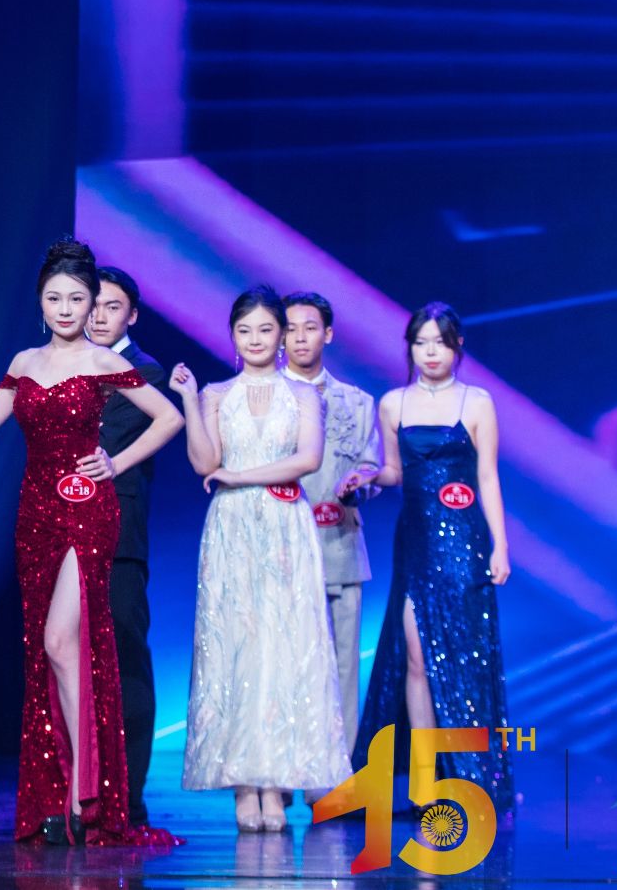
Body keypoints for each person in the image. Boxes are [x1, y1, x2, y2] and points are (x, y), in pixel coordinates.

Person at [0, 237, 183, 844]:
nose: (66, 309)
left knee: (62, 641)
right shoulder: (24, 362)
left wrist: (115, 463)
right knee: (49, 649)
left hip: (87, 509)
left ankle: (84, 794)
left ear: (92, 303)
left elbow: (168, 417)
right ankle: (72, 788)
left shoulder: (103, 362)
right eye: (54, 298)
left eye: (76, 299)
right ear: (41, 302)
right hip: (34, 513)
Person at [174, 284, 350, 833]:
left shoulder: (302, 395)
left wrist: (239, 476)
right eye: (244, 330)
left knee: (282, 650)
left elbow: (308, 459)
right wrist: (189, 400)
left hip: (283, 526)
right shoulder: (216, 394)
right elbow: (205, 462)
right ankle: (243, 787)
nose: (255, 339)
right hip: (231, 528)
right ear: (232, 336)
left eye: (265, 329)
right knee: (235, 649)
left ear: (281, 336)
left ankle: (276, 784)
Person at [353, 303, 514, 815]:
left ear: (457, 346)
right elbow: (394, 471)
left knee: (465, 661)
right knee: (417, 660)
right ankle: (425, 784)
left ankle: (472, 777)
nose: (430, 352)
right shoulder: (393, 403)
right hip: (416, 546)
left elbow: (487, 477)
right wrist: (368, 477)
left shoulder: (478, 402)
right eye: (421, 343)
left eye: (440, 343)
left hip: (464, 546)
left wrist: (500, 545)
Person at [282, 291, 382, 792]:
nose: (300, 338)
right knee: (282, 662)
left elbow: (371, 464)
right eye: (291, 328)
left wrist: (362, 483)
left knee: (342, 666)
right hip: (279, 550)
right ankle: (279, 772)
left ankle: (335, 779)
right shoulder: (264, 397)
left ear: (328, 334)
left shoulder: (358, 403)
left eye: (310, 327)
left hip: (340, 543)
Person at [87, 265, 167, 828]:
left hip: (119, 534)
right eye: (91, 304)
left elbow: (105, 440)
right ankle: (78, 792)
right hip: (59, 530)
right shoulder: (60, 363)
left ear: (131, 316)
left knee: (125, 660)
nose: (97, 315)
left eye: (111, 307)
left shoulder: (145, 372)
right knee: (66, 660)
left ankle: (129, 795)